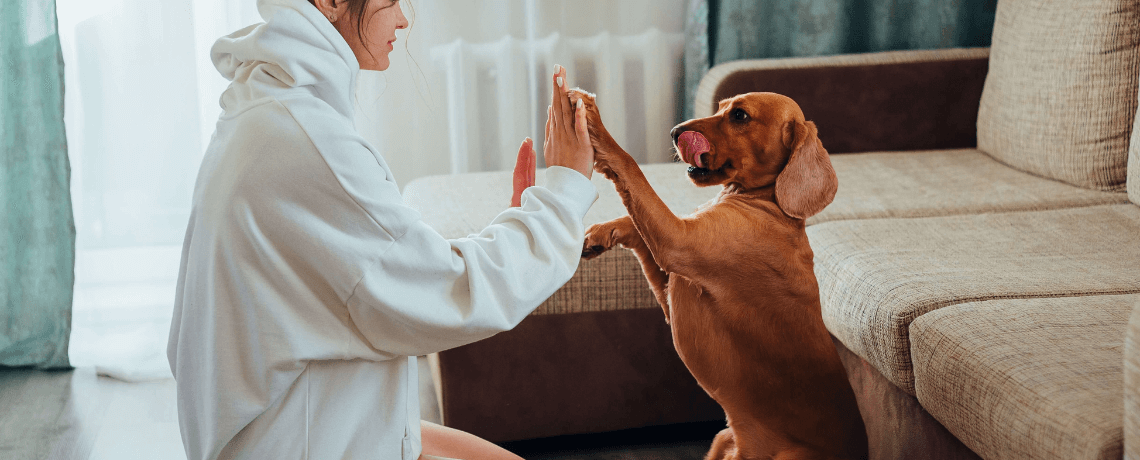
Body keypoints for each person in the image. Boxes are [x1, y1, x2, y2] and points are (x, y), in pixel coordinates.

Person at [165, 0, 597, 458]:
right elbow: (452, 292)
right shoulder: (307, 141)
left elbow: (383, 268)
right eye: (391, 0)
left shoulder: (266, 109)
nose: (403, 18)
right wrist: (564, 191)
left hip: (301, 422)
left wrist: (519, 224)